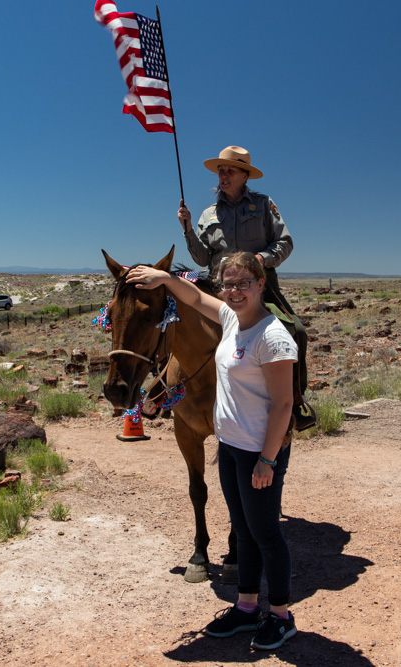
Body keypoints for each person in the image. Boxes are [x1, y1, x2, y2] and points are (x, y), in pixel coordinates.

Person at [126, 252, 298, 650]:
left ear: (260, 285)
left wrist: (268, 460)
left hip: (259, 451)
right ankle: (246, 606)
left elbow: (283, 405)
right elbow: (195, 298)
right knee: (245, 532)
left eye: (243, 284)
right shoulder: (231, 318)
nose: (234, 292)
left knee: (267, 534)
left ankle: (282, 616)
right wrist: (163, 278)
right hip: (232, 446)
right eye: (229, 284)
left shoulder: (273, 337)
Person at [178, 145, 315, 430]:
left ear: (244, 176)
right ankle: (165, 395)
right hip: (217, 285)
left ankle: (296, 401)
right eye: (221, 170)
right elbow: (202, 258)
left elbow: (285, 243)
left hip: (259, 286)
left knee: (296, 331)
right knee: (175, 323)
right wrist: (188, 229)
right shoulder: (208, 213)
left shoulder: (264, 205)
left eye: (230, 170)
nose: (223, 175)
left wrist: (260, 259)